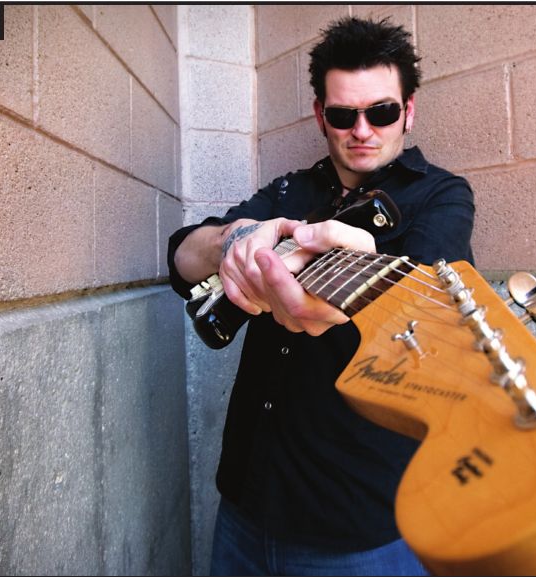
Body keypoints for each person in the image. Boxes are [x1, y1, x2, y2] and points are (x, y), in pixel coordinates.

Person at [167, 16, 475, 576]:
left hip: (357, 525)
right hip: (244, 504)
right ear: (320, 116)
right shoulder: (289, 190)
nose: (362, 130)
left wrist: (358, 278)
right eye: (343, 115)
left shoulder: (441, 195)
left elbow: (431, 302)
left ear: (408, 111)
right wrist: (235, 241)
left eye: (382, 112)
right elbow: (182, 257)